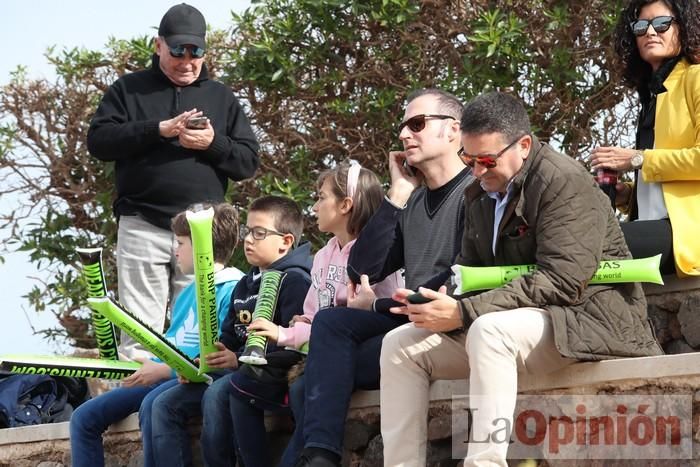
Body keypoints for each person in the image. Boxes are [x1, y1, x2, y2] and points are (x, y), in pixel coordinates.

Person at [379, 92, 663, 467]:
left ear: (524, 145)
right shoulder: (477, 193)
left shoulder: (564, 181)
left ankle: (485, 463)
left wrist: (465, 313)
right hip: (521, 321)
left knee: (488, 331)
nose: (477, 171)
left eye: (486, 160)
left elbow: (563, 280)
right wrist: (441, 302)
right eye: (469, 159)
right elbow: (473, 272)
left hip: (589, 317)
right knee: (399, 345)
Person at [296, 89, 473, 467]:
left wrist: (375, 303)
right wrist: (398, 194)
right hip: (408, 321)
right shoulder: (412, 203)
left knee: (316, 376)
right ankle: (321, 458)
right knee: (330, 328)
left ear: (453, 130)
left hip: (452, 318)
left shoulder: (477, 190)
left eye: (418, 124)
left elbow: (459, 276)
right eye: (403, 127)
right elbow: (361, 268)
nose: (406, 135)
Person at [87, 3, 260, 359]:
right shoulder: (129, 89)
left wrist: (213, 144)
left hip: (202, 231)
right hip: (143, 223)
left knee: (202, 331)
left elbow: (247, 163)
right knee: (139, 333)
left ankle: (192, 407)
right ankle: (134, 408)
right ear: (158, 45)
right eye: (177, 50)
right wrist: (159, 129)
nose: (186, 60)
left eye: (195, 51)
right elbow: (99, 141)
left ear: (205, 50)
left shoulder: (221, 97)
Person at [230, 161, 403, 467]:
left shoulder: (379, 251)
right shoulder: (322, 256)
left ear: (346, 204)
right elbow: (314, 316)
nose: (314, 206)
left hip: (369, 348)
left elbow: (374, 318)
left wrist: (284, 334)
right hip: (324, 351)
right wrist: (290, 328)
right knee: (291, 387)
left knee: (302, 387)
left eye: (322, 197)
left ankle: (321, 456)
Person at [69, 203, 243, 467]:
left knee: (155, 404)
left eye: (181, 243)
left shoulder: (233, 288)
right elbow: (173, 344)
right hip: (160, 376)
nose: (176, 250)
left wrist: (163, 371)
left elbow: (213, 356)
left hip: (186, 381)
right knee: (83, 418)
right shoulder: (187, 293)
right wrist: (142, 361)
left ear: (200, 246)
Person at [149, 195, 312, 467]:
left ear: (285, 242)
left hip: (271, 375)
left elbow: (293, 349)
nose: (248, 239)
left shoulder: (296, 281)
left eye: (259, 233)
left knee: (220, 393)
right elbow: (227, 338)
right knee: (163, 403)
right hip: (235, 370)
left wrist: (237, 360)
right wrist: (203, 363)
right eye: (248, 232)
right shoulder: (245, 285)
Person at [591, 0, 700, 277]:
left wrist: (636, 158)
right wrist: (625, 195)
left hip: (687, 232)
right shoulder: (652, 95)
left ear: (684, 29)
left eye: (662, 23)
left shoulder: (695, 78)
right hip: (656, 227)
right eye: (641, 26)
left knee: (580, 246)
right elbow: (660, 182)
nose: (650, 32)